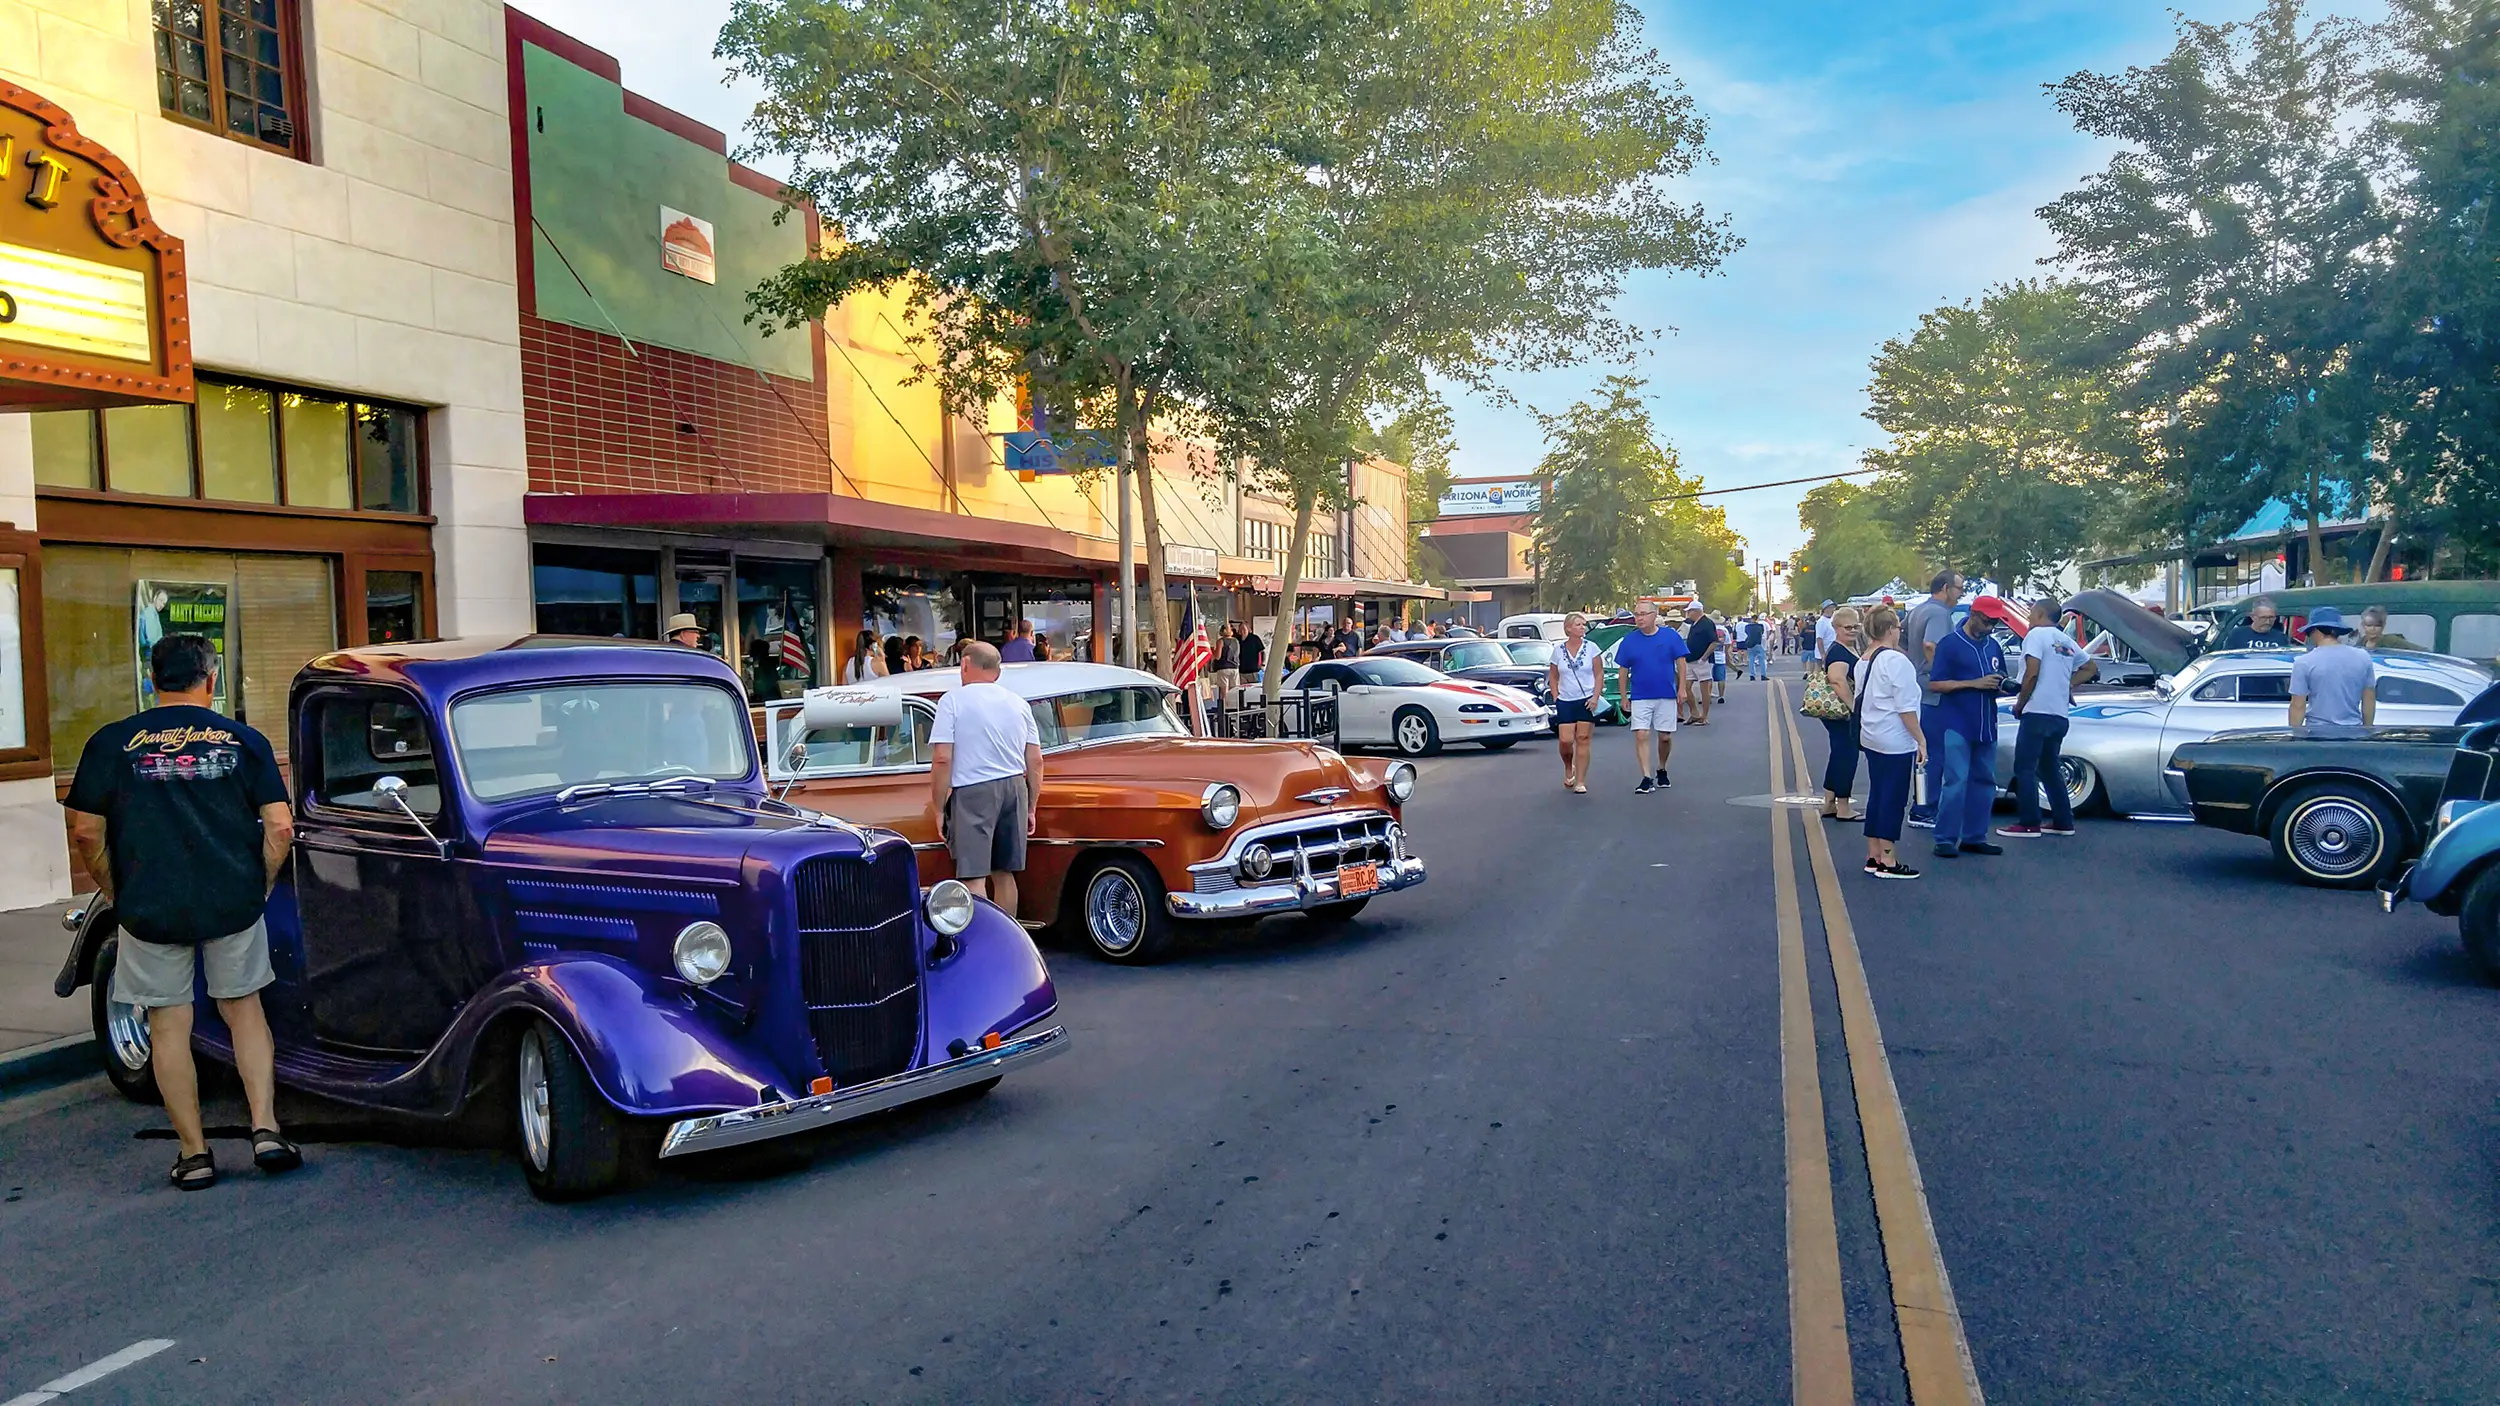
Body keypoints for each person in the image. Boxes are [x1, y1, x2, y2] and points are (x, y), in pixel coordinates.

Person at [65, 634, 301, 1189]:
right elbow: (281, 826)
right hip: (232, 901)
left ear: (152, 680)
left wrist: (115, 888)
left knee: (169, 1025)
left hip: (151, 904)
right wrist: (261, 884)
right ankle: (265, 1129)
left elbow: (84, 828)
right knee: (244, 1011)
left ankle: (195, 1155)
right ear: (212, 679)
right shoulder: (244, 741)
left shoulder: (112, 742)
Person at [930, 641, 1044, 917]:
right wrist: (1031, 806)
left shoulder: (952, 701)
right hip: (1015, 787)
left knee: (974, 877)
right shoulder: (1018, 703)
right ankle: (1008, 940)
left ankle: (982, 941)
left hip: (973, 790)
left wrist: (937, 807)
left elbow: (942, 758)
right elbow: (1036, 760)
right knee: (1004, 875)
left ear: (966, 664)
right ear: (997, 671)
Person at [1999, 596, 2095, 839]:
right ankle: (2063, 821)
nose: (2029, 618)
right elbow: (2091, 668)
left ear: (2041, 614)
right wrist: (2067, 686)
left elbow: (2032, 672)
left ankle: (2029, 822)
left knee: (2025, 767)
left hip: (2037, 710)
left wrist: (2020, 703)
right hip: (2059, 715)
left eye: (2031, 613)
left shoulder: (2035, 636)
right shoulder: (2065, 640)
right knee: (2050, 767)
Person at [1927, 599, 2008, 860]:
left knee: (1985, 782)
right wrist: (1974, 683)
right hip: (1957, 722)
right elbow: (1936, 684)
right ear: (1973, 615)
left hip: (1986, 723)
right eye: (1986, 621)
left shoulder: (1993, 645)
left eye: (1994, 623)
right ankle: (1945, 838)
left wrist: (2003, 685)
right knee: (1956, 781)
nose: (1990, 627)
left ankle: (1975, 836)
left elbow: (2000, 678)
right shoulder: (1950, 644)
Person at [1853, 607, 1926, 879]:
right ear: (1891, 629)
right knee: (1894, 799)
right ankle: (1888, 859)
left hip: (1871, 735)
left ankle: (1873, 854)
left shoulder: (1864, 660)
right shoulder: (1897, 662)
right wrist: (1921, 740)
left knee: (1878, 794)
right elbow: (1906, 708)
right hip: (1895, 739)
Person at [1902, 571, 1963, 827]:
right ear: (1946, 588)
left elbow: (1903, 642)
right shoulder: (1939, 613)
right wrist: (1941, 674)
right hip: (1933, 693)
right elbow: (1930, 644)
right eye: (1960, 588)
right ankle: (1925, 809)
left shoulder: (1917, 611)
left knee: (1924, 751)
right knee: (1934, 753)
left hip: (1919, 688)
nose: (1961, 594)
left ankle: (1921, 806)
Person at [1612, 600, 1690, 794]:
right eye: (1637, 614)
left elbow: (1681, 663)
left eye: (1644, 614)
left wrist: (1682, 689)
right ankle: (1646, 777)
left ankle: (1661, 768)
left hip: (1665, 693)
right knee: (1641, 734)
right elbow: (1623, 670)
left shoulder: (1670, 637)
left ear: (1654, 615)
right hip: (1640, 694)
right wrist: (1624, 696)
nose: (1639, 618)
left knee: (1664, 737)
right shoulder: (1629, 640)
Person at [2289, 606, 2376, 727]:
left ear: (2316, 631)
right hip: (2353, 732)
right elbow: (2369, 699)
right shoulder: (2363, 657)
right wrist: (2367, 728)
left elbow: (2298, 705)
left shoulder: (2304, 662)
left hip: (2317, 733)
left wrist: (2295, 734)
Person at [1547, 611, 1604, 794]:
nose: (1582, 627)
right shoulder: (1558, 650)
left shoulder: (1592, 648)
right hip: (1566, 699)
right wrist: (1556, 696)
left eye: (1583, 624)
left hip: (1586, 698)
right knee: (1565, 740)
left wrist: (1595, 697)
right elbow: (1553, 676)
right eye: (1578, 624)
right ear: (1568, 628)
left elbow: (1598, 673)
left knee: (1583, 738)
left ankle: (1580, 780)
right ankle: (1567, 766)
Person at [1819, 607, 1864, 822]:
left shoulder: (1848, 648)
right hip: (1841, 711)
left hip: (1838, 711)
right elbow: (1837, 679)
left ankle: (1829, 801)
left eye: (1856, 626)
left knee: (1838, 753)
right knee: (1847, 754)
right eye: (1848, 627)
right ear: (1836, 628)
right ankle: (1844, 806)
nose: (1853, 630)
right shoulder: (1839, 651)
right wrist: (1854, 707)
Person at [1681, 604, 1718, 725]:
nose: (1688, 614)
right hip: (1691, 660)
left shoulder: (1707, 623)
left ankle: (1704, 716)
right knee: (1686, 687)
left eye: (1690, 611)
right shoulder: (1694, 624)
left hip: (1701, 661)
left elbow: (1713, 642)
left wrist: (1704, 657)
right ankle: (1695, 713)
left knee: (1704, 689)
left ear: (1695, 611)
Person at [2221, 597, 2294, 650]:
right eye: (2263, 618)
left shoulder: (2281, 637)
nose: (2268, 622)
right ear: (2253, 617)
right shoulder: (2237, 635)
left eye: (2271, 617)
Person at [1213, 621, 1242, 698]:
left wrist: (1212, 651)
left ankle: (1225, 706)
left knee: (1224, 691)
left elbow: (1217, 656)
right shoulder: (1236, 641)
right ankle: (1234, 706)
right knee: (1234, 690)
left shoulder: (1221, 641)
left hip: (1223, 667)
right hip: (1235, 667)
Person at [1745, 614, 1769, 680]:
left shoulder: (1747, 626)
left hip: (1750, 644)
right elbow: (1762, 632)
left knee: (1751, 660)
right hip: (1758, 643)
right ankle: (1763, 675)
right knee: (1762, 659)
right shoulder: (1760, 626)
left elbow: (1746, 633)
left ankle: (1752, 675)